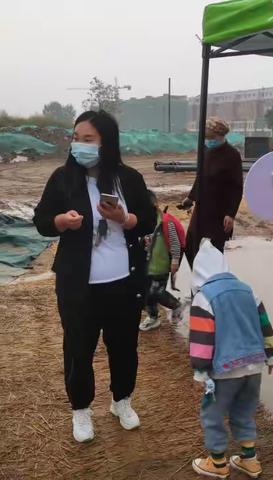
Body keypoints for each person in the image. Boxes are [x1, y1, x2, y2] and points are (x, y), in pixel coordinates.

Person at [33, 110, 156, 443]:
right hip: (77, 286)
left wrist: (125, 217)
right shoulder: (62, 178)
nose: (79, 145)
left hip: (124, 283)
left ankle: (121, 401)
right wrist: (61, 221)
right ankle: (82, 410)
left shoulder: (128, 179)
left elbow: (148, 219)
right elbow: (42, 220)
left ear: (107, 143)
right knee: (78, 349)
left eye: (88, 139)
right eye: (76, 138)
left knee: (124, 347)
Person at [189, 240, 273, 479]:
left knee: (212, 415)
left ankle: (218, 463)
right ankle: (249, 460)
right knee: (244, 411)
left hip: (224, 372)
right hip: (254, 367)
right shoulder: (248, 290)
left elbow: (202, 339)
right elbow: (265, 326)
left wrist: (200, 371)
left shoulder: (204, 297)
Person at [180, 117, 243, 268]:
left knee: (213, 251)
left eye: (208, 131)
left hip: (219, 212)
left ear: (217, 133)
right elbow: (200, 177)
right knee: (191, 247)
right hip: (202, 208)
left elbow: (236, 187)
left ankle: (212, 284)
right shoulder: (206, 150)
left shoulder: (232, 155)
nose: (205, 135)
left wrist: (230, 213)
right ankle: (197, 284)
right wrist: (190, 198)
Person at [139, 191, 186, 331]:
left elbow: (175, 243)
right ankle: (153, 317)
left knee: (156, 292)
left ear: (154, 205)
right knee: (147, 293)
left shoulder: (166, 222)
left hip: (162, 265)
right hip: (148, 265)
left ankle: (176, 305)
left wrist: (175, 261)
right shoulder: (144, 223)